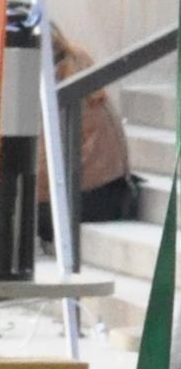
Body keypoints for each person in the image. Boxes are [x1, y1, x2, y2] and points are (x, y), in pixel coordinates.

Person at [51, 24, 140, 225]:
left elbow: (41, 168)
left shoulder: (62, 88)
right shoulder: (78, 73)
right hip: (114, 191)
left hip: (92, 196)